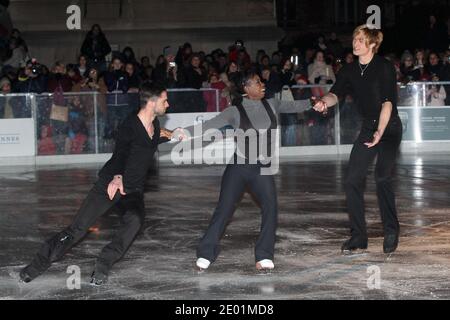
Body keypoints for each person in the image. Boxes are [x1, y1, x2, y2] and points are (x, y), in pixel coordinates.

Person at [19, 83, 180, 285]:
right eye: (165, 100)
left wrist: (173, 133)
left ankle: (103, 264)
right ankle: (35, 267)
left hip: (133, 190)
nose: (168, 104)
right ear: (152, 102)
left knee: (135, 220)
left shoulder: (154, 125)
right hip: (110, 184)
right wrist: (118, 176)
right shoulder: (129, 126)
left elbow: (155, 137)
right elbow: (120, 154)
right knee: (77, 229)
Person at [178, 71, 312, 272]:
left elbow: (294, 105)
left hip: (262, 169)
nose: (262, 84)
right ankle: (206, 253)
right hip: (239, 168)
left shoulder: (272, 104)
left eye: (261, 81)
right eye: (258, 82)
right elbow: (209, 125)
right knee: (224, 210)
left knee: (271, 208)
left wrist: (318, 102)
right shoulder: (234, 111)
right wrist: (184, 132)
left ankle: (264, 255)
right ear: (247, 88)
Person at [313, 25, 403, 255]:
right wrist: (324, 102)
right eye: (354, 39)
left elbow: (387, 103)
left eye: (361, 40)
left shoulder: (384, 67)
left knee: (382, 177)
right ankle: (358, 236)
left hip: (389, 127)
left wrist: (380, 132)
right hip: (368, 127)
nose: (355, 43)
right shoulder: (349, 70)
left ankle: (391, 229)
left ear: (372, 44)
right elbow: (335, 94)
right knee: (352, 179)